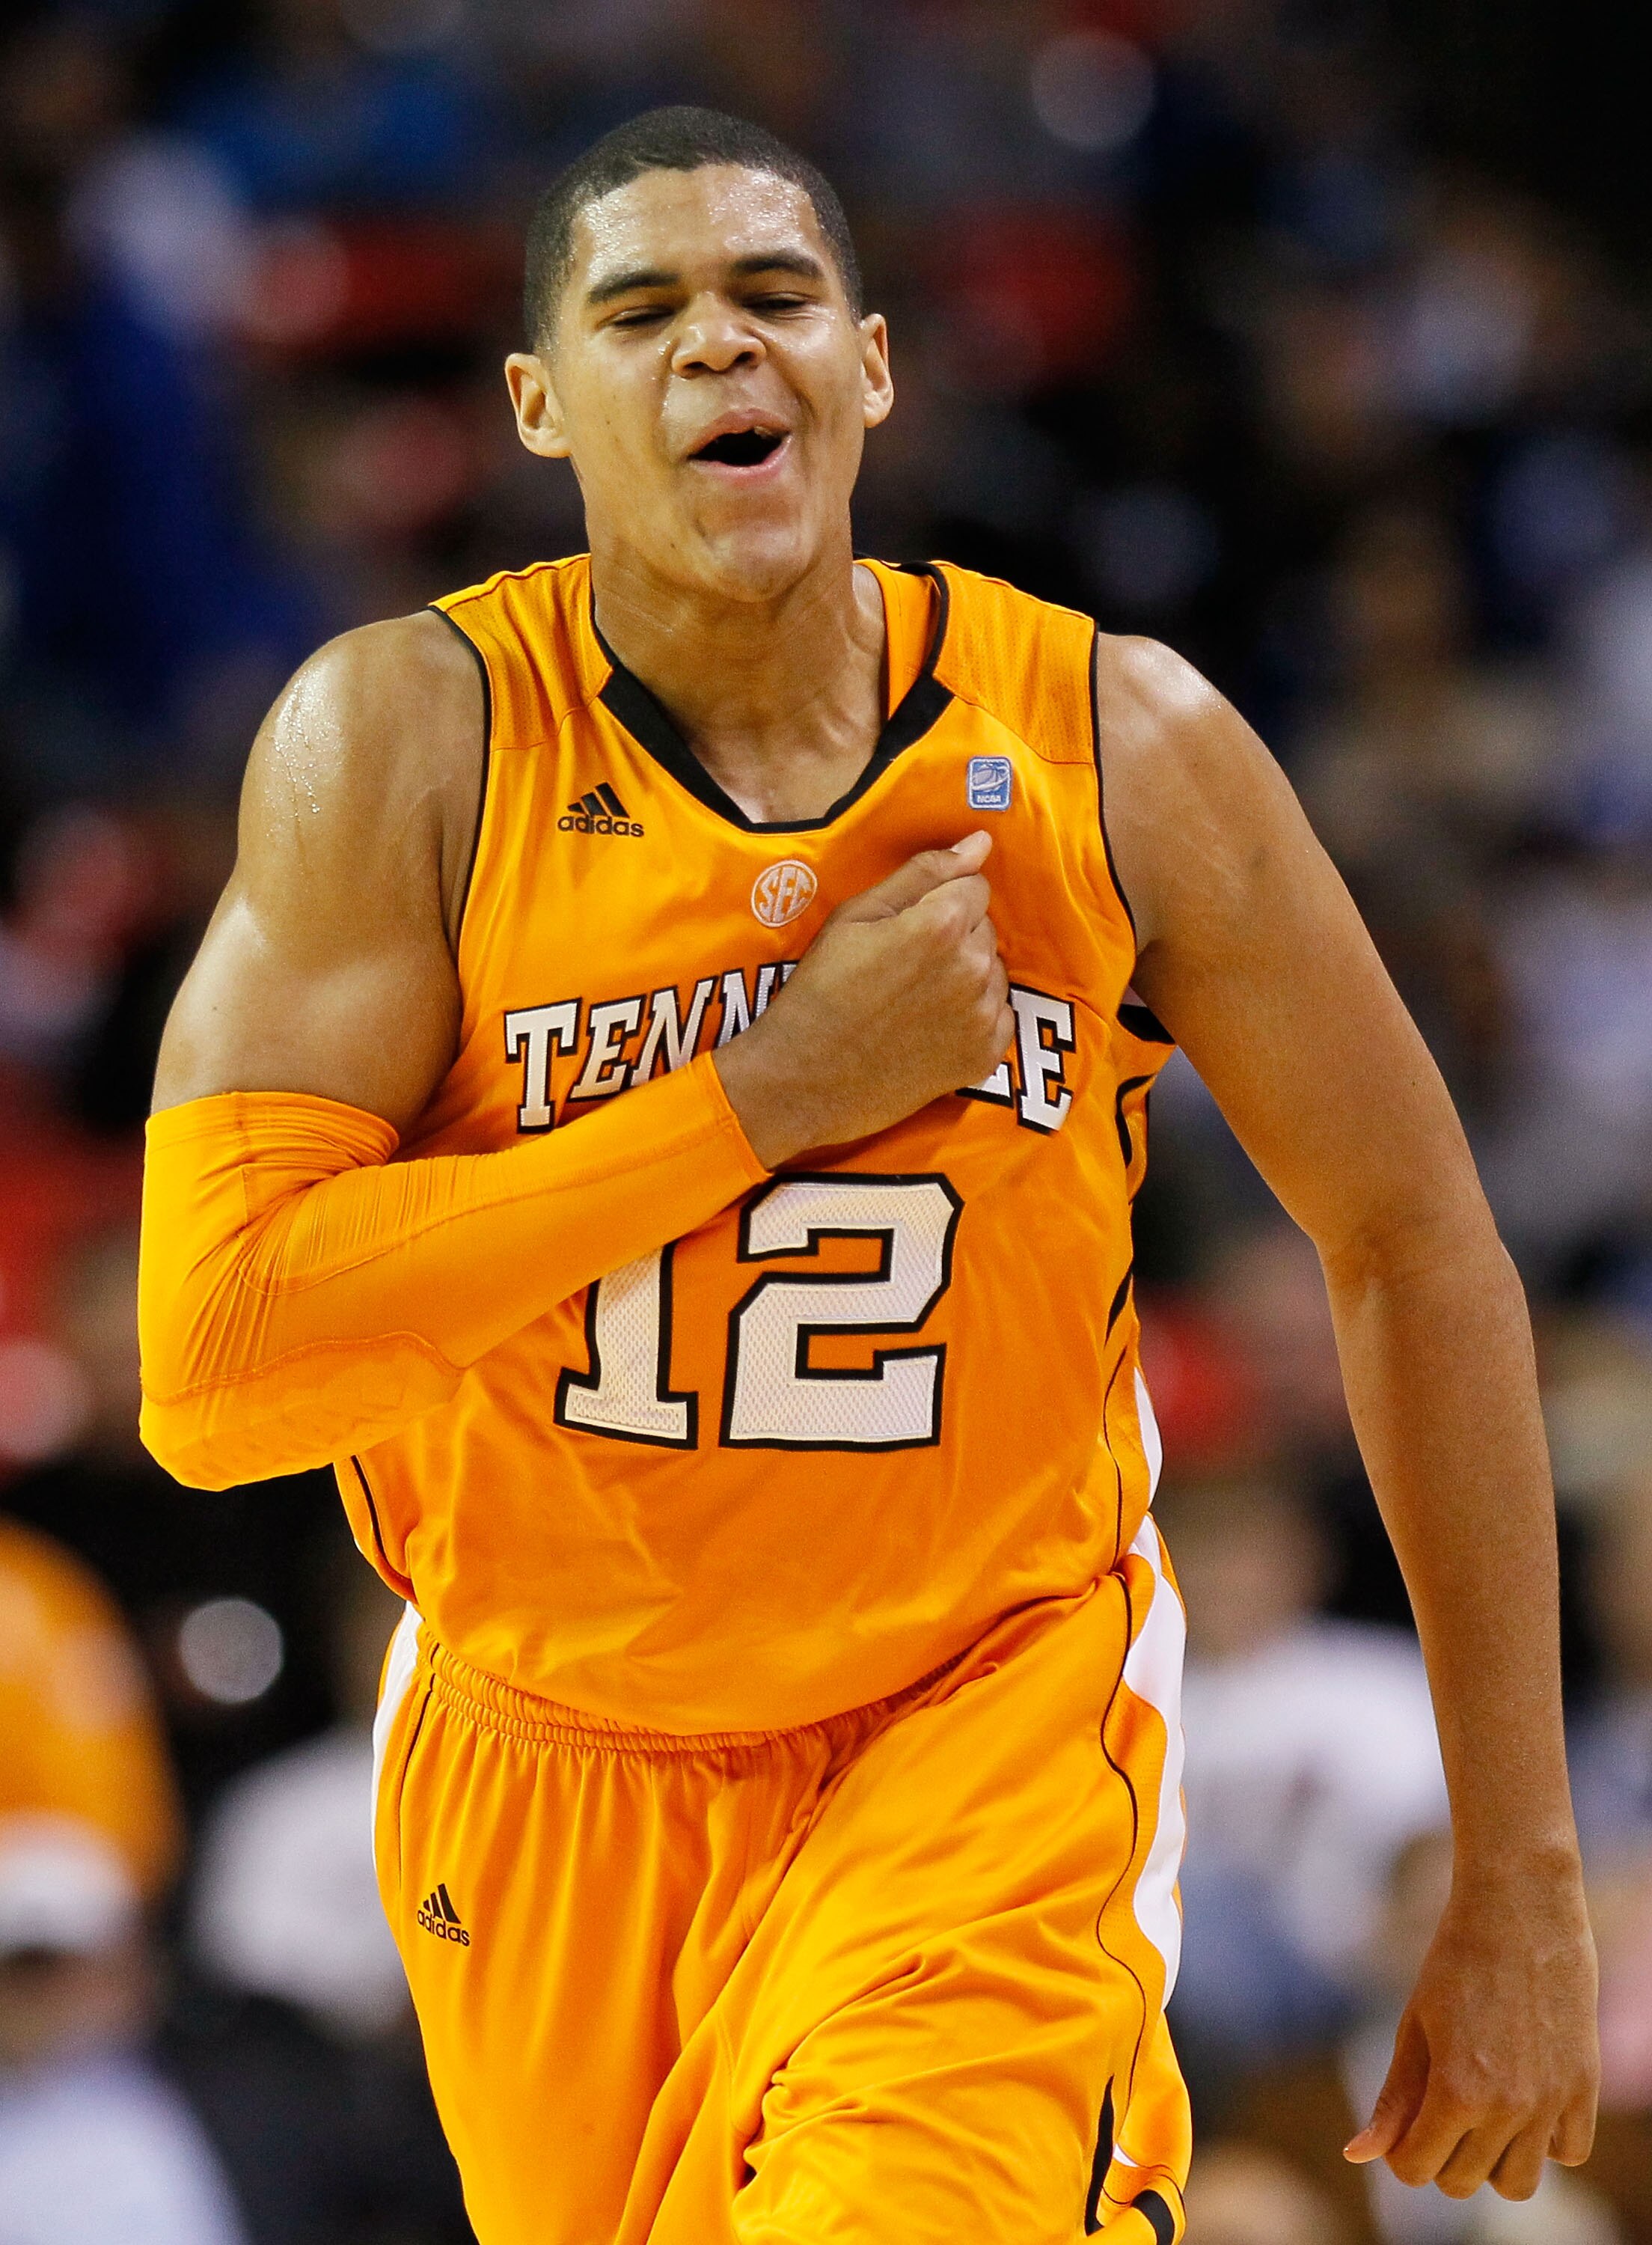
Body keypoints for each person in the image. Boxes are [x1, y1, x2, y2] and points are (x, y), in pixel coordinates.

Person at [135, 106, 1597, 2245]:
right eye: (641, 311)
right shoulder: (410, 750)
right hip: (548, 1764)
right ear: (538, 404)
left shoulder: (1118, 745)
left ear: (874, 366)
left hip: (977, 1733)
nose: (721, 346)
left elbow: (1415, 1240)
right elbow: (215, 1366)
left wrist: (1525, 1865)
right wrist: (758, 1100)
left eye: (776, 296)